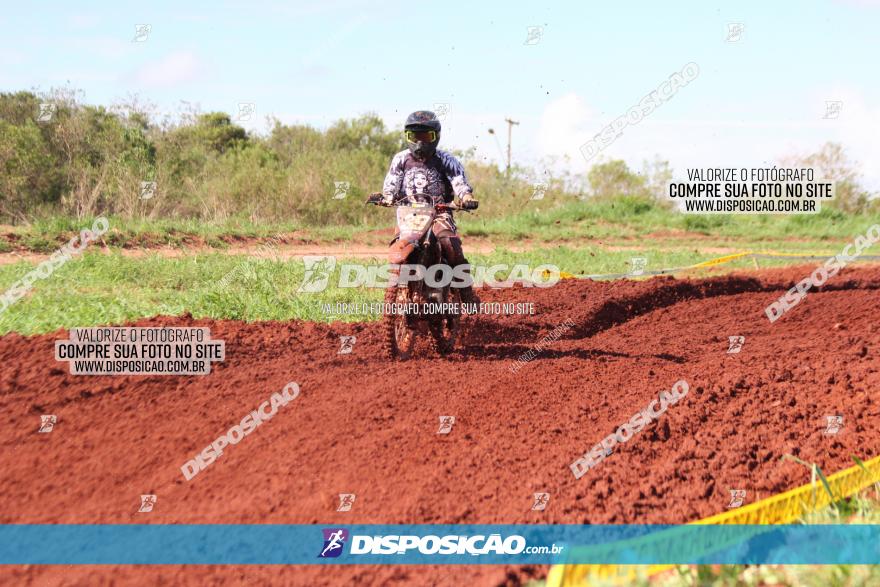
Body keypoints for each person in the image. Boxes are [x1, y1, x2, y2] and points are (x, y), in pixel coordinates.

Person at [380, 110, 480, 303]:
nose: (419, 142)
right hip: (408, 213)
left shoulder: (446, 160)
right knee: (398, 245)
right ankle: (402, 286)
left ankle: (465, 289)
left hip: (439, 213)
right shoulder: (401, 159)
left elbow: (459, 182)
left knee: (450, 244)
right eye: (414, 136)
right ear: (407, 136)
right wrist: (386, 197)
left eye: (426, 136)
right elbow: (391, 184)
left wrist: (467, 197)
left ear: (436, 137)